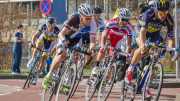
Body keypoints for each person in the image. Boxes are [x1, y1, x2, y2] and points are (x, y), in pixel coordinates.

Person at [124, 0, 178, 98]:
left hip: (154, 35)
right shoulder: (149, 13)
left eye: (165, 12)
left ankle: (147, 86)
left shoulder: (169, 19)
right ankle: (130, 70)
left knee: (155, 58)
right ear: (156, 10)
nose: (163, 15)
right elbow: (143, 32)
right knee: (143, 49)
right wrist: (143, 45)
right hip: (141, 31)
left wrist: (171, 52)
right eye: (161, 12)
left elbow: (171, 38)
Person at [42, 3, 97, 89]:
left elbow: (93, 42)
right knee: (62, 56)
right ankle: (49, 75)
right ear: (81, 17)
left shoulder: (93, 24)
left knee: (76, 57)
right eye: (87, 18)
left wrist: (93, 49)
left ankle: (67, 81)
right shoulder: (74, 19)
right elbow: (62, 33)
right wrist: (64, 41)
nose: (89, 20)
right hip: (65, 37)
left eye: (90, 18)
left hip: (76, 40)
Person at [91, 8, 133, 97]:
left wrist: (128, 57)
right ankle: (96, 67)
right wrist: (103, 46)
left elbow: (129, 45)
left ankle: (103, 85)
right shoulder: (111, 22)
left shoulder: (129, 27)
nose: (125, 22)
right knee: (106, 47)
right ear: (118, 18)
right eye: (123, 19)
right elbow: (105, 34)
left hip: (118, 42)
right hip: (109, 37)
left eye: (127, 20)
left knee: (112, 64)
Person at [27, 17, 59, 85]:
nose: (50, 27)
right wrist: (33, 42)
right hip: (42, 40)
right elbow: (35, 35)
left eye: (52, 25)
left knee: (43, 58)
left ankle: (36, 76)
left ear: (54, 25)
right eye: (49, 25)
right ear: (46, 24)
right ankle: (32, 59)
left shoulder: (56, 30)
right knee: (38, 45)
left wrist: (52, 51)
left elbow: (56, 43)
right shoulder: (43, 26)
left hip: (50, 44)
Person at [81, 5, 105, 75]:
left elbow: (101, 35)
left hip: (91, 37)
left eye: (98, 15)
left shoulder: (101, 22)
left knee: (89, 52)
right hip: (83, 35)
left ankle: (83, 68)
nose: (97, 18)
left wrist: (101, 44)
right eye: (95, 15)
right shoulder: (88, 19)